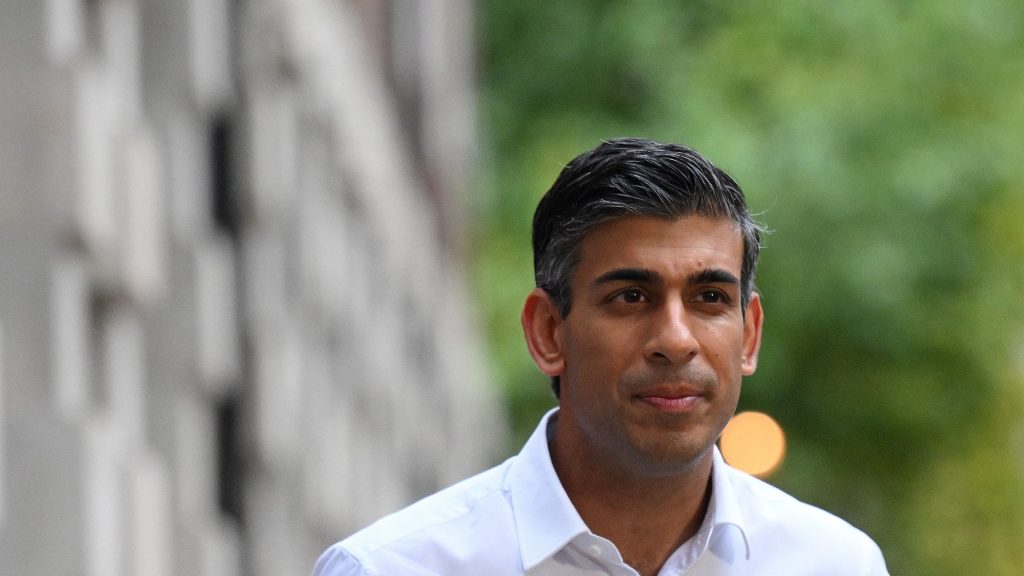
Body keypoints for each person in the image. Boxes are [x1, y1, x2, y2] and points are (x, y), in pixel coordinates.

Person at [312, 138, 889, 576]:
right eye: (631, 297)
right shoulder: (392, 567)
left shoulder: (837, 564)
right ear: (548, 333)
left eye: (710, 298)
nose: (676, 340)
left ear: (750, 334)